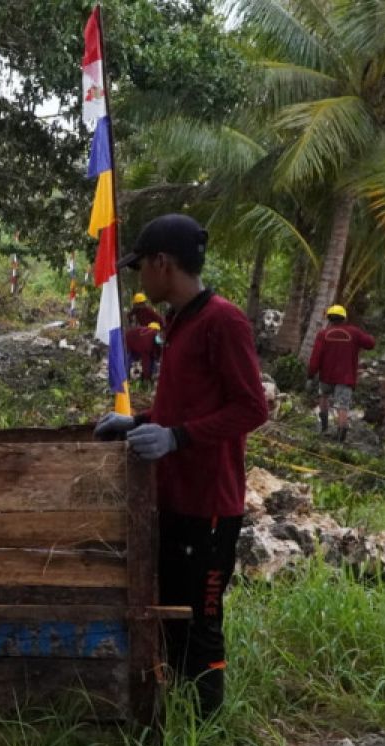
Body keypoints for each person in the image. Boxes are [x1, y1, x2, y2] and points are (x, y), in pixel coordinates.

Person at [94, 214, 268, 718]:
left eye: (141, 268)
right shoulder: (179, 322)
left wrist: (176, 437)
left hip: (207, 505)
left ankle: (207, 730)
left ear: (162, 264)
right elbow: (185, 406)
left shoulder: (224, 321)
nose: (139, 279)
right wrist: (140, 422)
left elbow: (251, 408)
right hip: (171, 497)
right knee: (169, 614)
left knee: (200, 623)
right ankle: (172, 716)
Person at [307, 305, 375, 443]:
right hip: (345, 378)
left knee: (323, 398)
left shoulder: (323, 334)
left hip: (326, 376)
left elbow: (315, 358)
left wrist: (310, 375)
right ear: (344, 318)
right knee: (343, 406)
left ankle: (324, 428)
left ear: (329, 319)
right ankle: (340, 439)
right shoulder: (354, 333)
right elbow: (370, 344)